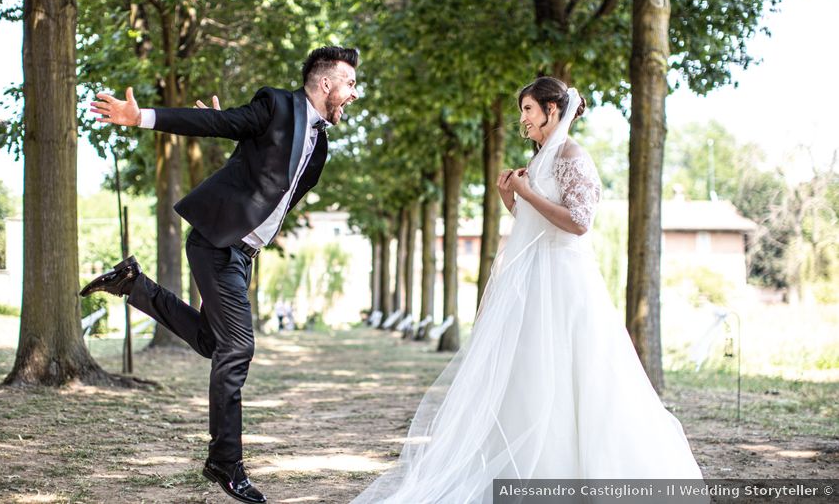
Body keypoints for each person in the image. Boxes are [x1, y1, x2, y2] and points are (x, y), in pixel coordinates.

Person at [351, 77, 704, 503]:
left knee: (575, 372)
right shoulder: (540, 159)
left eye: (529, 110)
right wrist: (510, 197)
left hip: (566, 281)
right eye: (522, 111)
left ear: (553, 110)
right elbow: (533, 221)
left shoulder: (573, 156)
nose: (523, 119)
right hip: (533, 280)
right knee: (528, 372)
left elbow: (577, 222)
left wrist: (527, 193)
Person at [81, 46, 359, 504]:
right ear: (325, 83)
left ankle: (133, 284)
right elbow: (215, 123)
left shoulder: (321, 145)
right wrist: (141, 117)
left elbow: (276, 185)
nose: (354, 93)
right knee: (238, 347)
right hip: (216, 244)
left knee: (215, 343)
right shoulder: (276, 105)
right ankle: (225, 463)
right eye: (349, 83)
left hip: (241, 253)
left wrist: (243, 141)